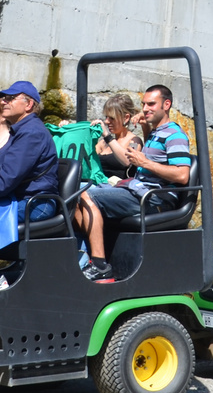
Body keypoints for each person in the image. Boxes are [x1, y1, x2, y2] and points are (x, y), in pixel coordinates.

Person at [73, 85, 192, 282]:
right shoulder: (156, 133)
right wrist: (146, 129)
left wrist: (144, 162)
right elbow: (155, 160)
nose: (145, 109)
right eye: (144, 104)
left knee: (85, 194)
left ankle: (100, 265)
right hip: (138, 190)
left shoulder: (174, 135)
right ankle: (85, 254)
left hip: (153, 199)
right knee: (73, 192)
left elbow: (182, 175)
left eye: (151, 104)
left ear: (166, 105)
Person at [0, 81, 60, 292]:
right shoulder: (19, 132)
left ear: (28, 104)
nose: (3, 101)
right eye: (3, 98)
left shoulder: (31, 133)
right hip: (19, 198)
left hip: (36, 204)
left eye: (10, 98)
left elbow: (4, 181)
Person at [93, 93, 140, 181]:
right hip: (99, 185)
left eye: (112, 118)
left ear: (126, 118)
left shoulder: (134, 141)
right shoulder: (103, 143)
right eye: (106, 117)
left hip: (119, 189)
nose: (106, 121)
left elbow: (127, 161)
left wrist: (107, 136)